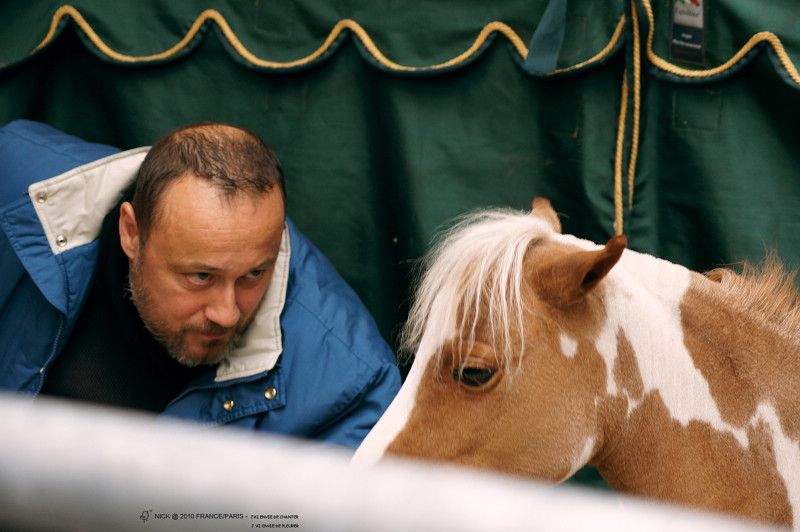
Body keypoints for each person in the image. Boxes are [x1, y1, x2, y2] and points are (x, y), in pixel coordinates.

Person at [0, 119, 401, 448]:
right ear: (131, 233)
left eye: (254, 274)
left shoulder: (350, 385)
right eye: (201, 277)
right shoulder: (16, 198)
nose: (227, 314)